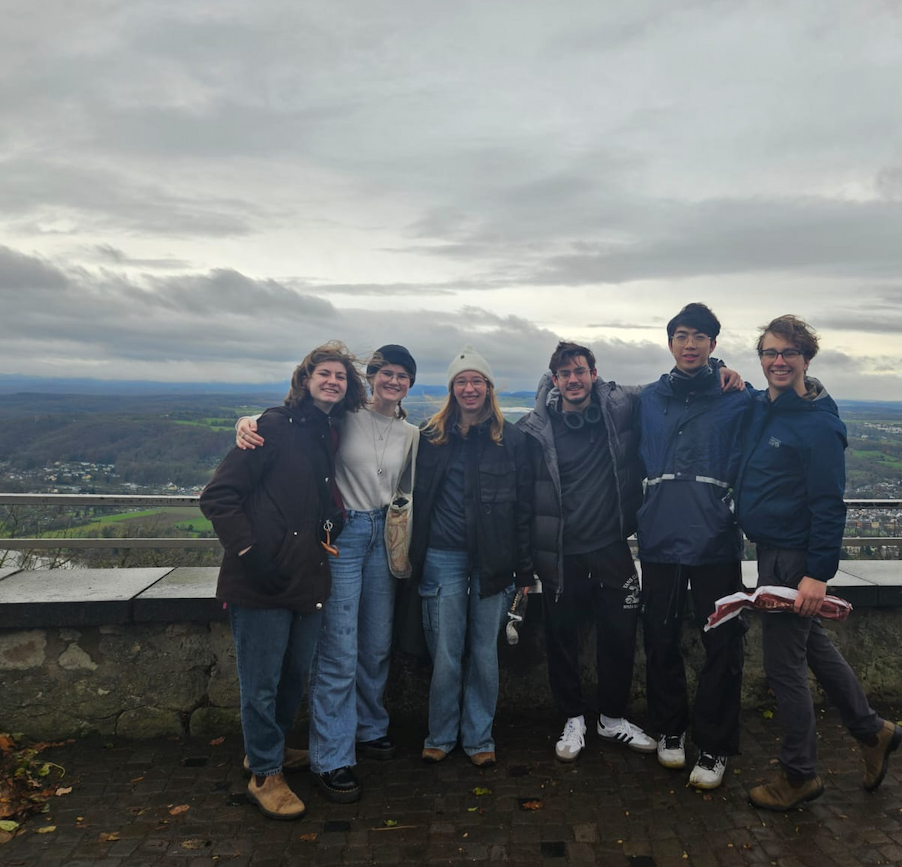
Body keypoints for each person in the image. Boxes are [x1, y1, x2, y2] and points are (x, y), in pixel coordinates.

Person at [235, 345, 421, 805]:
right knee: (338, 647)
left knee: (376, 642)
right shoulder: (344, 417)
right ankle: (332, 757)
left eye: (403, 376)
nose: (393, 381)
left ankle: (369, 727)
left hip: (386, 533)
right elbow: (294, 421)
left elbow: (409, 488)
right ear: (372, 377)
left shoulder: (414, 433)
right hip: (342, 534)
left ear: (411, 384)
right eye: (385, 373)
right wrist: (245, 422)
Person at [737, 315, 900, 811]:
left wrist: (816, 576)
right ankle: (872, 732)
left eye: (788, 353)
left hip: (793, 559)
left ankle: (800, 774)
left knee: (783, 668)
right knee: (816, 649)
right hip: (774, 550)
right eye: (769, 353)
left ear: (807, 358)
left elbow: (829, 505)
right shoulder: (770, 407)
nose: (778, 361)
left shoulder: (819, 425)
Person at [199, 341, 363, 820]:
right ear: (306, 379)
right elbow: (218, 496)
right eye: (325, 374)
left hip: (306, 575)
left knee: (295, 675)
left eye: (341, 376)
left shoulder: (326, 431)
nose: (333, 381)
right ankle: (264, 774)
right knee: (262, 681)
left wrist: (334, 519)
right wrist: (249, 552)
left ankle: (266, 749)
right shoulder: (271, 426)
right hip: (261, 579)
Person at [515, 341, 655, 761]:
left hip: (612, 547)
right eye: (564, 374)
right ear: (554, 379)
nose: (573, 380)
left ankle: (611, 719)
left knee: (621, 634)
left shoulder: (619, 408)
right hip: (561, 554)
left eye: (580, 371)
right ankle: (572, 717)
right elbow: (522, 500)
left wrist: (720, 369)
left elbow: (668, 387)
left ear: (594, 374)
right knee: (562, 638)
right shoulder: (534, 430)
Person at [636, 302, 749, 790]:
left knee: (723, 645)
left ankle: (716, 744)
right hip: (660, 537)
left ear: (713, 346)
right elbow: (578, 389)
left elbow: (793, 404)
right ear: (669, 343)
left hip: (714, 541)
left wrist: (731, 374)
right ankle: (670, 730)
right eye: (681, 335)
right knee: (659, 640)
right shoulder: (648, 398)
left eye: (699, 337)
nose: (689, 344)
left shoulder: (737, 397)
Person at [407, 345, 533, 767]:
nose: (469, 387)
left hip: (494, 561)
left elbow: (524, 510)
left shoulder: (512, 440)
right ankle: (440, 734)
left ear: (489, 387)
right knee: (444, 649)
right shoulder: (429, 436)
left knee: (484, 651)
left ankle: (479, 738)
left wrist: (525, 567)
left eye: (476, 380)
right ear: (451, 389)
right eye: (461, 381)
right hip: (442, 556)